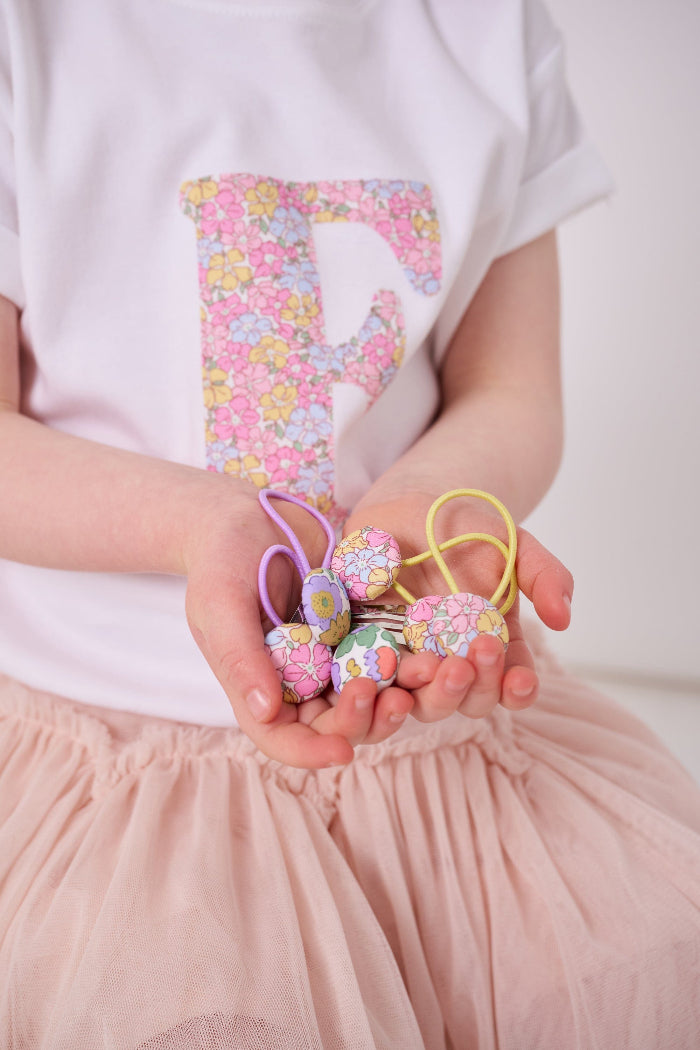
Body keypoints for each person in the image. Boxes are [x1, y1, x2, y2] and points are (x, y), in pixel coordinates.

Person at [0, 0, 699, 1047]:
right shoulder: (29, 36)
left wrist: (424, 508)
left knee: (639, 944)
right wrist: (204, 525)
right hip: (106, 767)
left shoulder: (487, 31)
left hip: (432, 735)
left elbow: (509, 389)